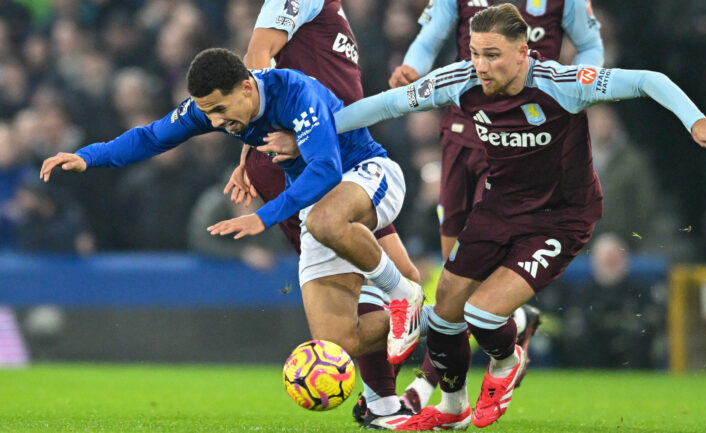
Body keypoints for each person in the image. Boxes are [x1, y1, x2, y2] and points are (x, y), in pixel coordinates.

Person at [330, 4, 706, 429]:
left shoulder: (564, 83)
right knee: (444, 314)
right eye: (475, 53)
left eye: (493, 54)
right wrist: (314, 132)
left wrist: (694, 121)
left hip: (560, 218)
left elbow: (648, 80)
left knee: (485, 315)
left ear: (523, 52)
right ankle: (452, 409)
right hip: (499, 208)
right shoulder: (459, 81)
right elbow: (384, 106)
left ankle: (507, 361)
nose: (480, 65)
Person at [39, 49, 424, 423]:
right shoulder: (213, 107)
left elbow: (325, 168)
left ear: (246, 87)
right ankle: (436, 319)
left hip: (367, 174)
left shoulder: (295, 93)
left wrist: (264, 217)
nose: (216, 122)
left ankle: (401, 293)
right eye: (207, 113)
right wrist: (89, 156)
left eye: (220, 110)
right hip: (319, 208)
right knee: (337, 344)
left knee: (325, 220)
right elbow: (152, 136)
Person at [388, 0, 605, 411]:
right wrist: (413, 68)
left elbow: (592, 47)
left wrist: (578, 84)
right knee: (455, 265)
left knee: (476, 280)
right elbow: (431, 35)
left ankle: (424, 390)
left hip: (528, 123)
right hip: (462, 125)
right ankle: (512, 327)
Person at [230, 0, 421, 427]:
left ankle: (428, 330)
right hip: (302, 163)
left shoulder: (330, 9)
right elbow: (256, 60)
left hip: (342, 156)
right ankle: (385, 402)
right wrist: (267, 142)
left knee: (403, 278)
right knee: (369, 285)